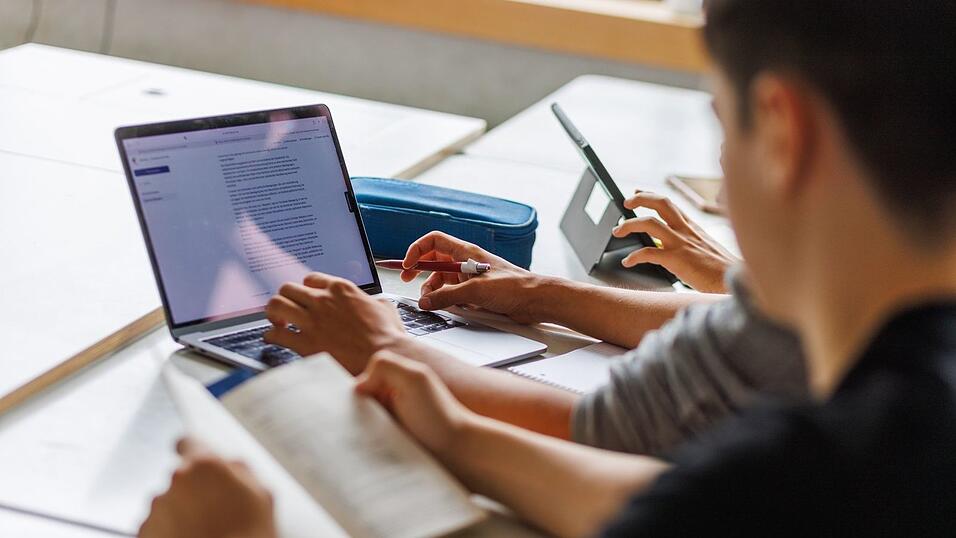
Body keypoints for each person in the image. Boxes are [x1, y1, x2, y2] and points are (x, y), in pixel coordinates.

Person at [144, 0, 956, 533]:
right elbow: (657, 500)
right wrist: (457, 432)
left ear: (782, 133)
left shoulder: (832, 472)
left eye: (723, 126)